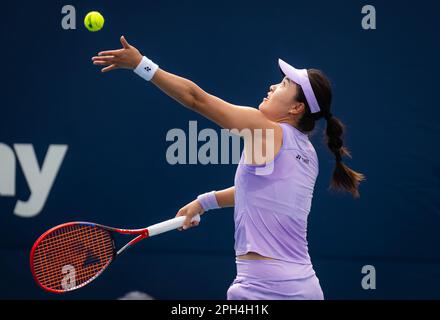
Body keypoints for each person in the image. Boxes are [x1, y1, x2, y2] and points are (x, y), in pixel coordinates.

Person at [92, 36, 365, 300]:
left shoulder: (266, 130)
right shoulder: (307, 153)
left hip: (264, 290)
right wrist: (203, 203)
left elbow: (196, 99)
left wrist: (141, 64)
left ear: (296, 107)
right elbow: (256, 191)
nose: (272, 86)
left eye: (283, 84)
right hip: (305, 288)